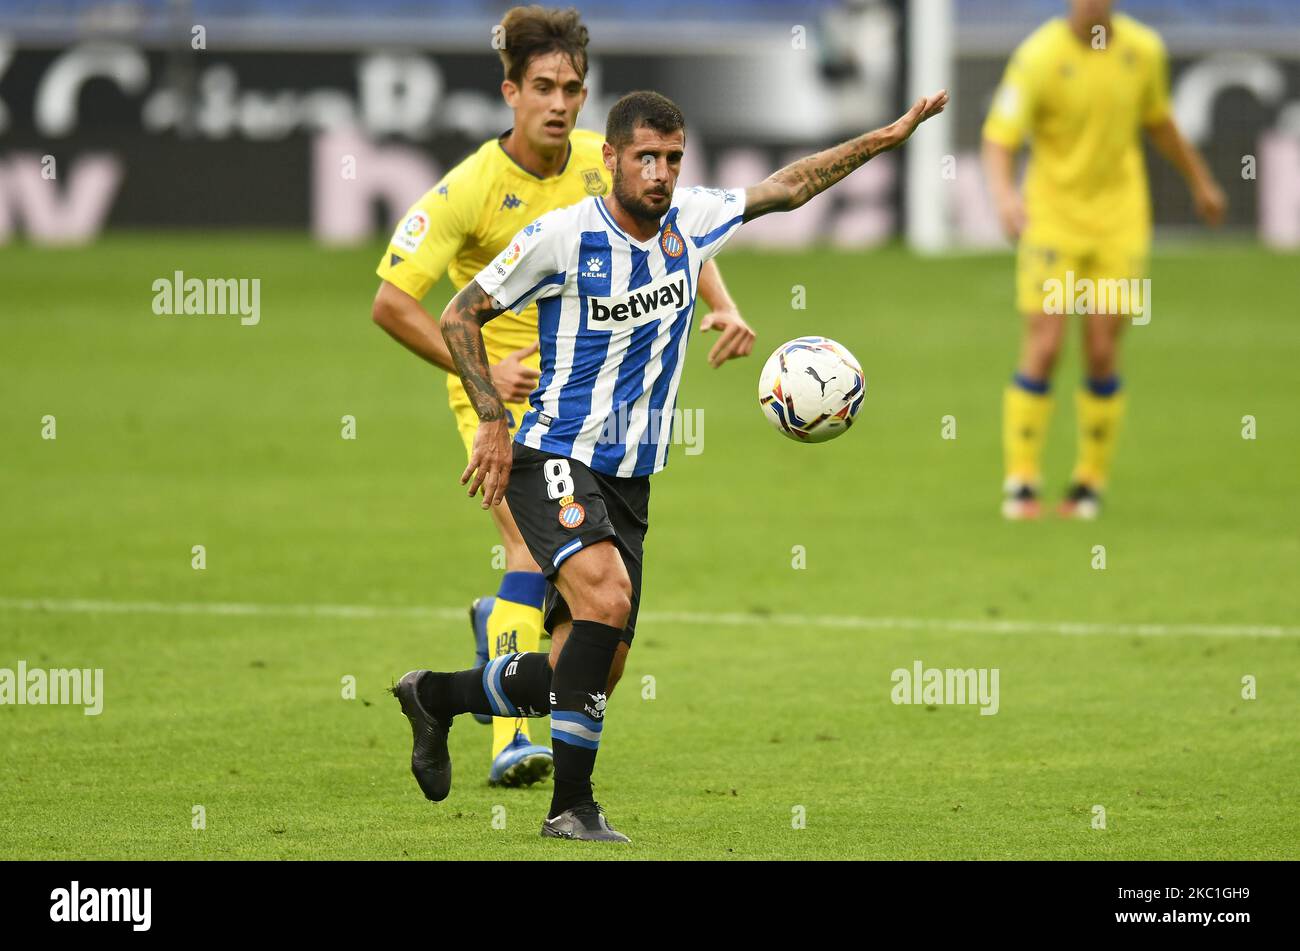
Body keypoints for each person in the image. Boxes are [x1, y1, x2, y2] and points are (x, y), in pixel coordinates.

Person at [392, 86, 948, 842]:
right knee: (608, 600)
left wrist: (889, 134)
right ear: (612, 159)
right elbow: (461, 314)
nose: (659, 173)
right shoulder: (563, 236)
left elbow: (791, 185)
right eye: (645, 157)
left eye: (672, 159)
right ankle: (571, 809)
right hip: (553, 450)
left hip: (629, 477)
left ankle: (437, 696)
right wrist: (493, 420)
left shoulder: (695, 220)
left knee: (584, 672)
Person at [372, 6, 754, 788]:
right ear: (510, 91)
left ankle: (456, 685)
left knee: (595, 652)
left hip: (602, 404)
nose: (559, 103)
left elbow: (673, 227)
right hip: (504, 399)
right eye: (542, 87)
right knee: (525, 553)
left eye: (572, 88)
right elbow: (395, 303)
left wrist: (722, 299)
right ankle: (514, 740)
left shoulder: (605, 159)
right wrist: (480, 386)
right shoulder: (470, 188)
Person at [982, 0, 1225, 520]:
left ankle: (1088, 482)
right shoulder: (1039, 56)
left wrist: (1200, 181)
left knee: (1100, 347)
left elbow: (1160, 122)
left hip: (1121, 223)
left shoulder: (1144, 50)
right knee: (1045, 344)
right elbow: (1000, 136)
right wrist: (1004, 196)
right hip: (1053, 221)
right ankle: (1022, 479)